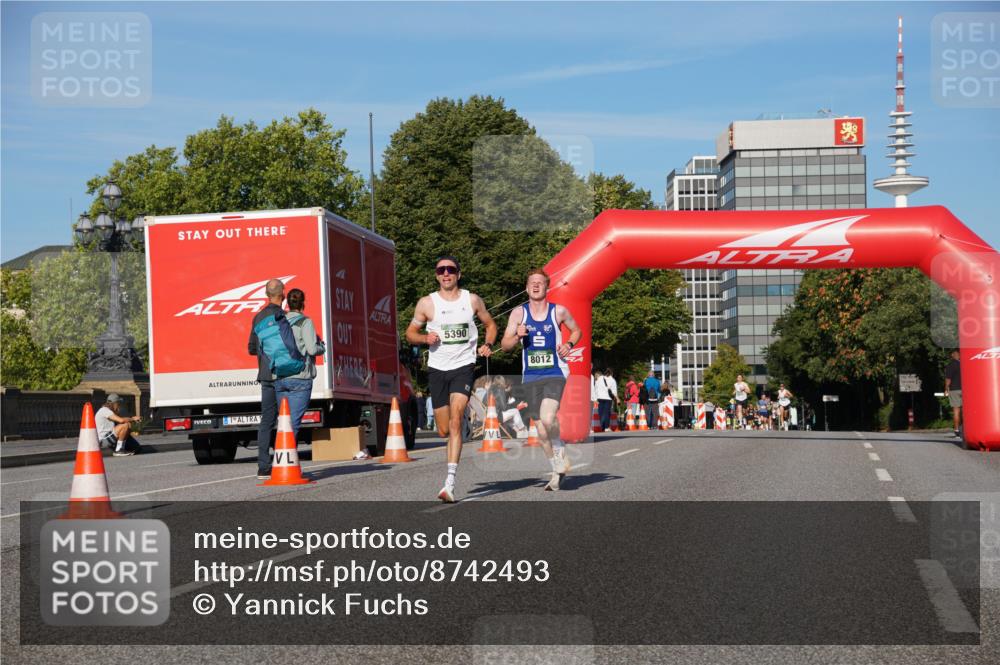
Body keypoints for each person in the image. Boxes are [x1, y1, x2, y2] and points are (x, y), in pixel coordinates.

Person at [406, 256, 497, 503]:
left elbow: (490, 325)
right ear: (436, 275)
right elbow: (410, 333)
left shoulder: (472, 300)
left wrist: (487, 344)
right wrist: (425, 339)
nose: (446, 274)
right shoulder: (427, 303)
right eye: (441, 270)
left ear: (459, 273)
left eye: (451, 270)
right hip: (437, 369)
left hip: (463, 367)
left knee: (455, 420)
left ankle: (449, 482)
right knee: (444, 429)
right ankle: (459, 428)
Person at [501, 268, 581, 491]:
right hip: (530, 376)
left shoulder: (559, 312)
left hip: (555, 372)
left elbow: (576, 331)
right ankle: (557, 466)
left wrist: (568, 345)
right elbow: (504, 346)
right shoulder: (518, 314)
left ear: (547, 287)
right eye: (532, 283)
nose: (536, 286)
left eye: (540, 283)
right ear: (527, 288)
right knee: (541, 431)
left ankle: (559, 455)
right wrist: (518, 335)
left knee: (547, 418)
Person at [274, 288, 325, 441]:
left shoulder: (279, 322)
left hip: (280, 376)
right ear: (303, 303)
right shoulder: (305, 322)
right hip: (300, 377)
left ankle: (280, 457)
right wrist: (321, 347)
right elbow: (311, 348)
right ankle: (287, 460)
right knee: (294, 422)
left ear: (287, 303)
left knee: (283, 421)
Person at [248, 278, 285, 480]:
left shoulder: (258, 317)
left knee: (267, 420)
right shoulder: (283, 316)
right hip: (284, 374)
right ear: (283, 294)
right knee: (287, 419)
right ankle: (286, 460)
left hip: (265, 374)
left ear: (266, 294)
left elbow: (252, 347)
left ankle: (263, 466)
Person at [944, 349, 962, 438]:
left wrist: (946, 389)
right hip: (965, 390)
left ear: (952, 355)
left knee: (956, 410)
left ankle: (957, 430)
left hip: (954, 390)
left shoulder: (950, 365)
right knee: (966, 411)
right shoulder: (964, 364)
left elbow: (948, 379)